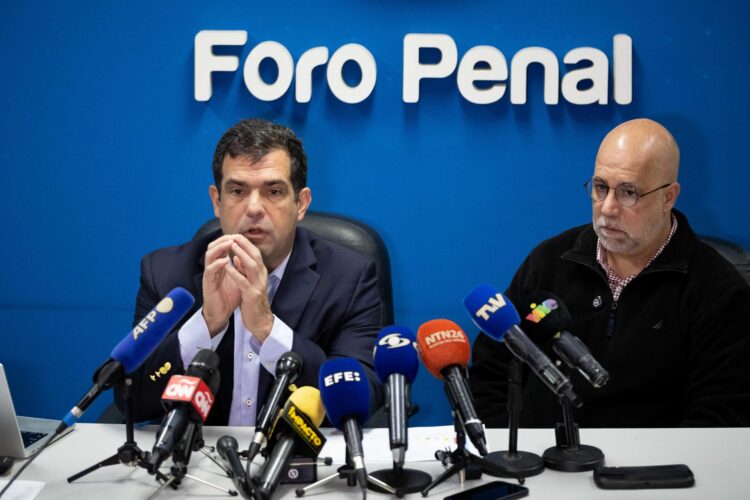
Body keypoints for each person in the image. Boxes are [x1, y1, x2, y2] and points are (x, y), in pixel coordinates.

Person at [470, 118, 750, 428]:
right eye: (601, 187)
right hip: (538, 466)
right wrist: (512, 455)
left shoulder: (718, 291)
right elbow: (490, 373)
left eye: (628, 192)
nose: (607, 208)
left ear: (668, 197)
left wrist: (648, 474)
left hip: (650, 473)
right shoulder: (549, 261)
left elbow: (721, 415)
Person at [116, 118, 383, 425]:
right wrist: (207, 325)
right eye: (238, 191)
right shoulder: (165, 272)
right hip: (194, 462)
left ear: (301, 203)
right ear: (217, 201)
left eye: (273, 191)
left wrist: (268, 329)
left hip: (293, 461)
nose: (254, 208)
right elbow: (131, 399)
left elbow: (363, 396)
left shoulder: (349, 278)